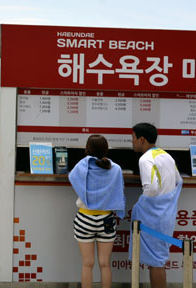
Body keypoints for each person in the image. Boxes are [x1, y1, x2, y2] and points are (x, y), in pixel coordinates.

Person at [69, 135, 125, 288]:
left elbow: (71, 176)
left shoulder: (82, 166)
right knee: (105, 264)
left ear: (87, 149)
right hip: (106, 220)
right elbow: (119, 193)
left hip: (84, 219)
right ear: (106, 149)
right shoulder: (116, 169)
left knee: (87, 264)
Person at [130, 122, 182, 288]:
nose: (132, 142)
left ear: (142, 139)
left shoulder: (145, 159)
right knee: (158, 260)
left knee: (156, 263)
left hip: (154, 217)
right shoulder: (167, 156)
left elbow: (150, 188)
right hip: (167, 215)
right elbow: (179, 181)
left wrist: (142, 206)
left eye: (133, 138)